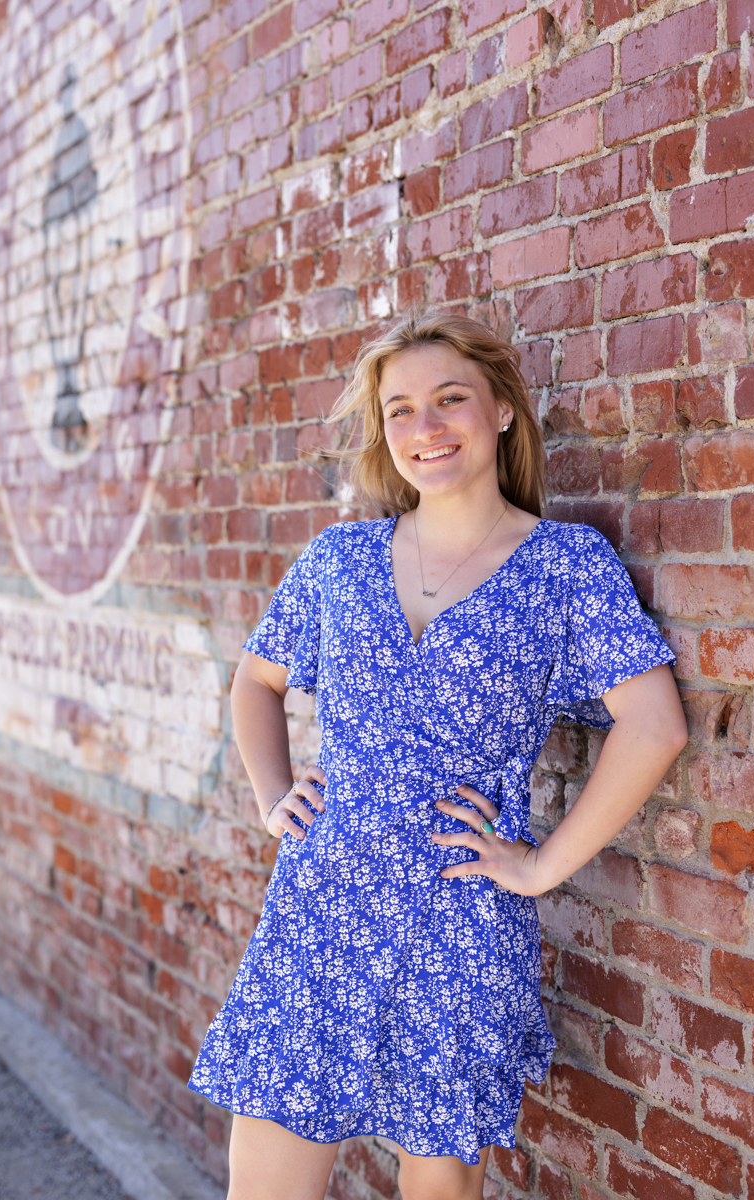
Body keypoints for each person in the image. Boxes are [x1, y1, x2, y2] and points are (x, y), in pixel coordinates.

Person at [187, 309, 688, 1200]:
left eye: (449, 400)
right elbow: (254, 684)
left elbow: (655, 726)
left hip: (457, 915)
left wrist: (539, 868)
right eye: (400, 410)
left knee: (434, 1188)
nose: (425, 429)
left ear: (499, 410)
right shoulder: (339, 560)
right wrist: (274, 796)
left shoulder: (565, 566)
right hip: (321, 906)